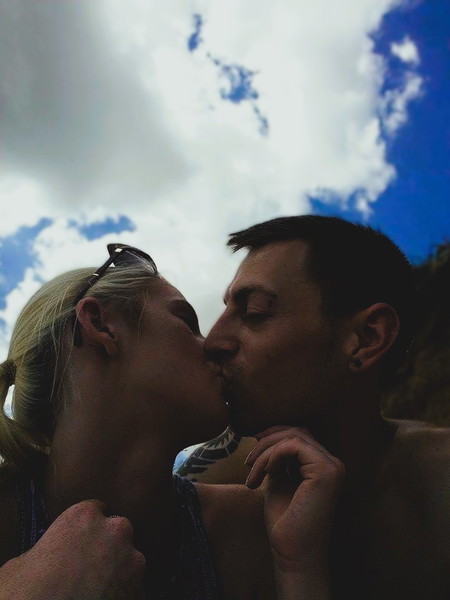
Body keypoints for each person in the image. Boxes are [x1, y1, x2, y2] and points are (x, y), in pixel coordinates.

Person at [0, 243, 343, 599]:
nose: (214, 345)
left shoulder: (254, 526)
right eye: (188, 322)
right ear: (101, 325)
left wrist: (297, 569)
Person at [183, 215, 450, 599]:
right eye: (225, 310)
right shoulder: (208, 489)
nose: (214, 341)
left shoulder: (438, 488)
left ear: (366, 338)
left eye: (255, 312)